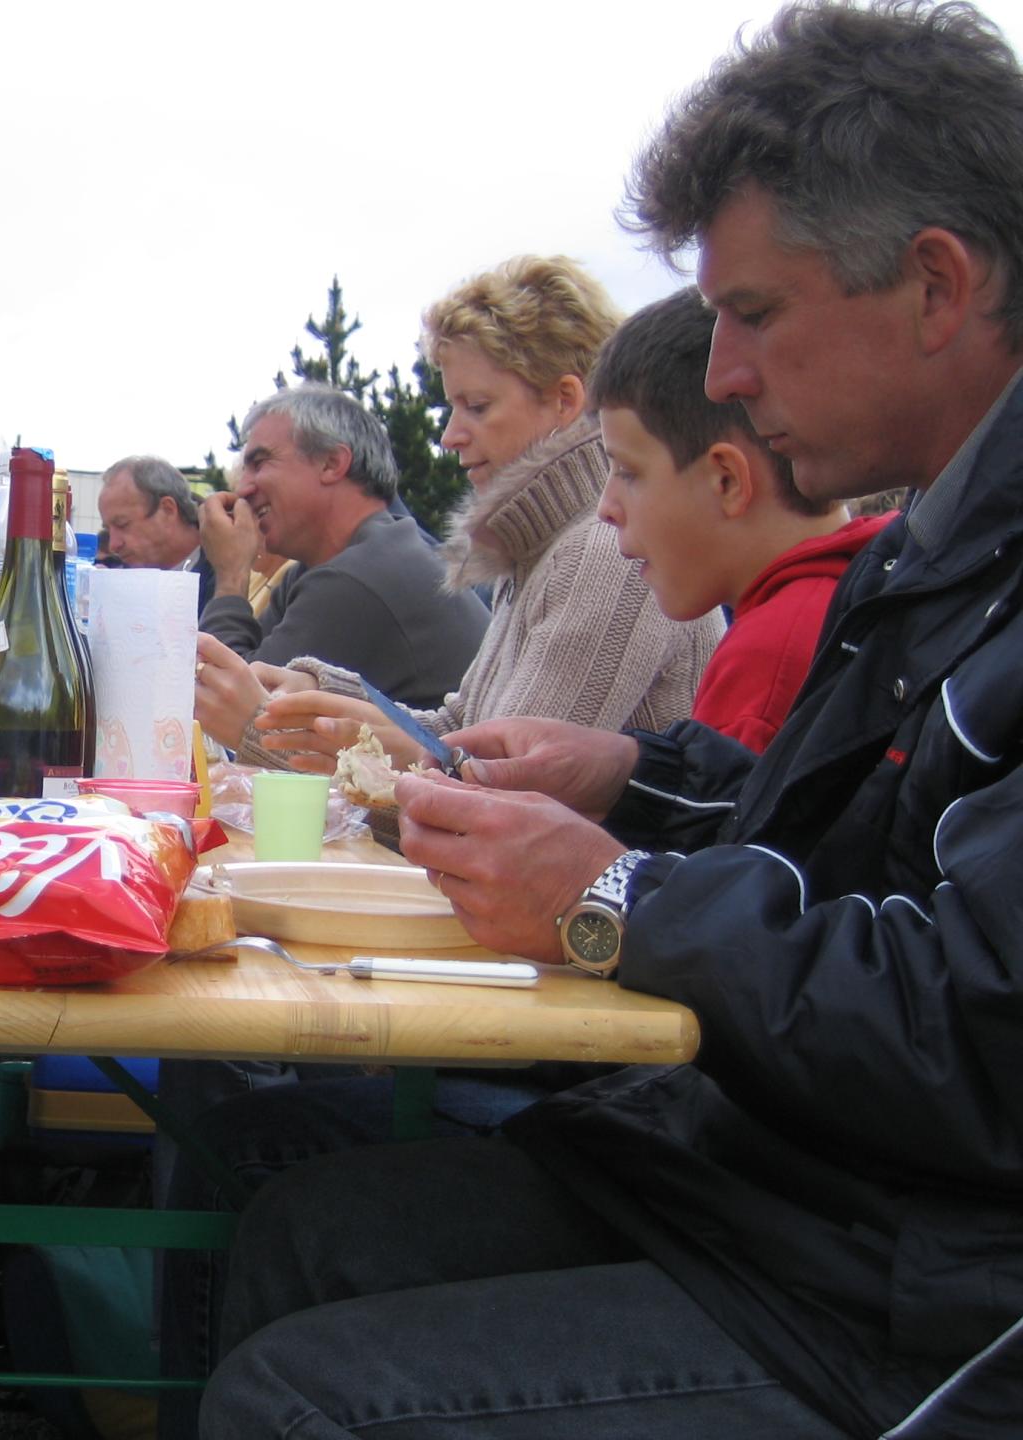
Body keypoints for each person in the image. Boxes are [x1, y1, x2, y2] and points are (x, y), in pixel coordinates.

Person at [204, 3, 1023, 1435]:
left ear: (939, 286)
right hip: (771, 1192)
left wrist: (610, 901)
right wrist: (635, 778)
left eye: (753, 314)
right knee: (306, 1224)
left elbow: (980, 1035)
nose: (724, 375)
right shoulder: (932, 543)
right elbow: (828, 829)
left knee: (301, 1398)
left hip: (920, 1306)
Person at [239, 256, 724, 792]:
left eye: (476, 406)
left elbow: (499, 798)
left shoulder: (605, 554)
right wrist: (323, 693)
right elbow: (459, 731)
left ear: (565, 400)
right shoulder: (541, 551)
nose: (449, 435)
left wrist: (253, 727)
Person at [590, 286, 893, 752]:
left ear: (726, 481)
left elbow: (719, 825)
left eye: (628, 472)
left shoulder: (767, 659)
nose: (605, 508)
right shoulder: (861, 589)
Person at [191, 384, 489, 752]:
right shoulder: (340, 562)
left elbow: (228, 711)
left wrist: (232, 572)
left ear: (333, 463)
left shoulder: (363, 576)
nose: (243, 488)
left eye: (260, 462)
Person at [97, 455, 215, 610]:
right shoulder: (121, 581)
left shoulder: (230, 573)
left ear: (168, 510)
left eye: (122, 524)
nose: (113, 545)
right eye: (108, 530)